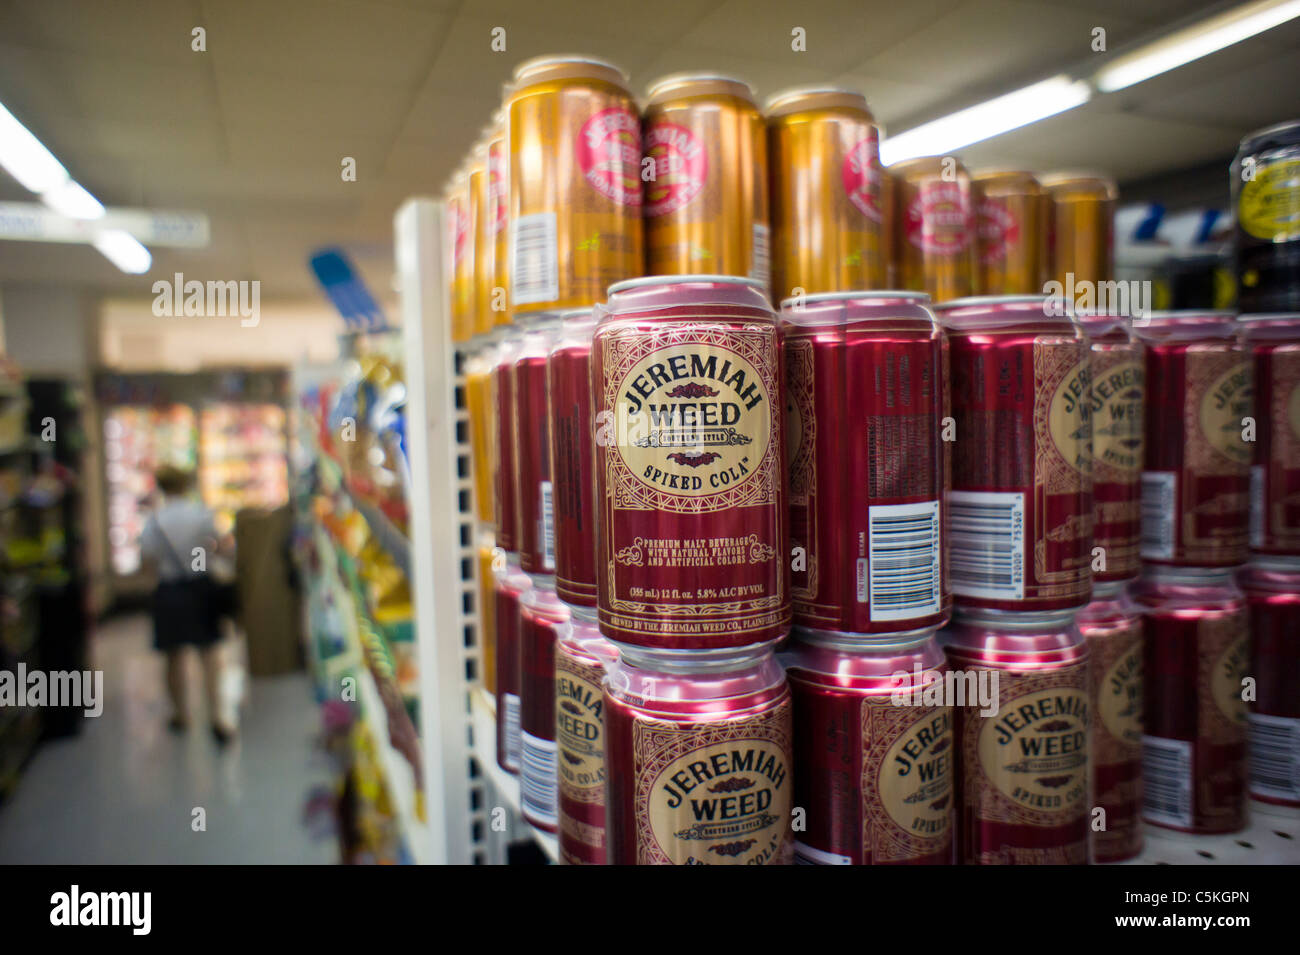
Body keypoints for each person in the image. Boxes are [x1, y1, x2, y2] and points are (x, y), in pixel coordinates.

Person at [139, 465, 236, 745]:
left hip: (169, 590)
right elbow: (224, 546)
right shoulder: (201, 515)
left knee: (173, 656)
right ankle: (217, 716)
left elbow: (147, 561)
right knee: (209, 655)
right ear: (186, 485)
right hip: (200, 587)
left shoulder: (154, 521)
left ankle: (181, 714)